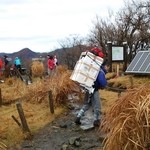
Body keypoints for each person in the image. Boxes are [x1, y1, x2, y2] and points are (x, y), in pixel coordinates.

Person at [75, 62, 108, 127]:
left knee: (87, 104)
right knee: (97, 105)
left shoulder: (95, 70)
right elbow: (102, 82)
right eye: (107, 66)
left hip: (88, 89)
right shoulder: (100, 71)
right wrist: (105, 84)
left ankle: (78, 117)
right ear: (104, 66)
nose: (107, 68)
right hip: (94, 90)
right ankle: (96, 120)